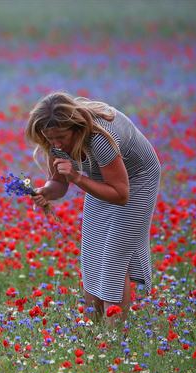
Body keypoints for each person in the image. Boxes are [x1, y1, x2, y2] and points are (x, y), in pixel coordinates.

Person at [25, 91, 161, 326]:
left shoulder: (98, 139)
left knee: (112, 261)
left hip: (136, 180)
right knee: (93, 254)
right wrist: (45, 191)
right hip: (100, 178)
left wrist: (78, 177)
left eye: (61, 137)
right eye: (50, 139)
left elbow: (120, 194)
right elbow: (59, 183)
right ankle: (93, 329)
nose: (56, 144)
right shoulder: (54, 140)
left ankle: (115, 336)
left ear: (75, 128)